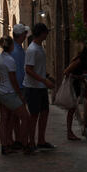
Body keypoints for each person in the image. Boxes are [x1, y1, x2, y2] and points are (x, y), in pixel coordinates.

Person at [0, 36, 31, 155]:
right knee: (25, 117)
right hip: (9, 93)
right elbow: (13, 81)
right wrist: (20, 95)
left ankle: (5, 145)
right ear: (11, 46)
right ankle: (24, 144)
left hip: (0, 91)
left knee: (4, 119)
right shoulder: (10, 60)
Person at [23, 23, 55, 151]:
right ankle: (31, 142)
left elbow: (37, 67)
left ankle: (41, 140)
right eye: (46, 32)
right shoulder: (32, 49)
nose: (47, 34)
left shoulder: (39, 48)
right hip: (33, 87)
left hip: (40, 86)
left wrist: (46, 76)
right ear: (41, 33)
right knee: (34, 115)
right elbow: (28, 70)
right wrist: (44, 80)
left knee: (44, 113)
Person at [64, 38, 87, 140]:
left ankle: (86, 122)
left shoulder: (86, 58)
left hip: (79, 83)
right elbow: (66, 72)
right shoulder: (80, 59)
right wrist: (79, 77)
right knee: (72, 109)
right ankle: (69, 132)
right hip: (73, 84)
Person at [9, 24, 30, 150]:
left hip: (16, 88)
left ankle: (16, 140)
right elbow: (17, 73)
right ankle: (23, 142)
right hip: (18, 88)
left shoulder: (16, 49)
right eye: (25, 34)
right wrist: (19, 92)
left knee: (15, 117)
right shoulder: (16, 51)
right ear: (21, 36)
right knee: (24, 117)